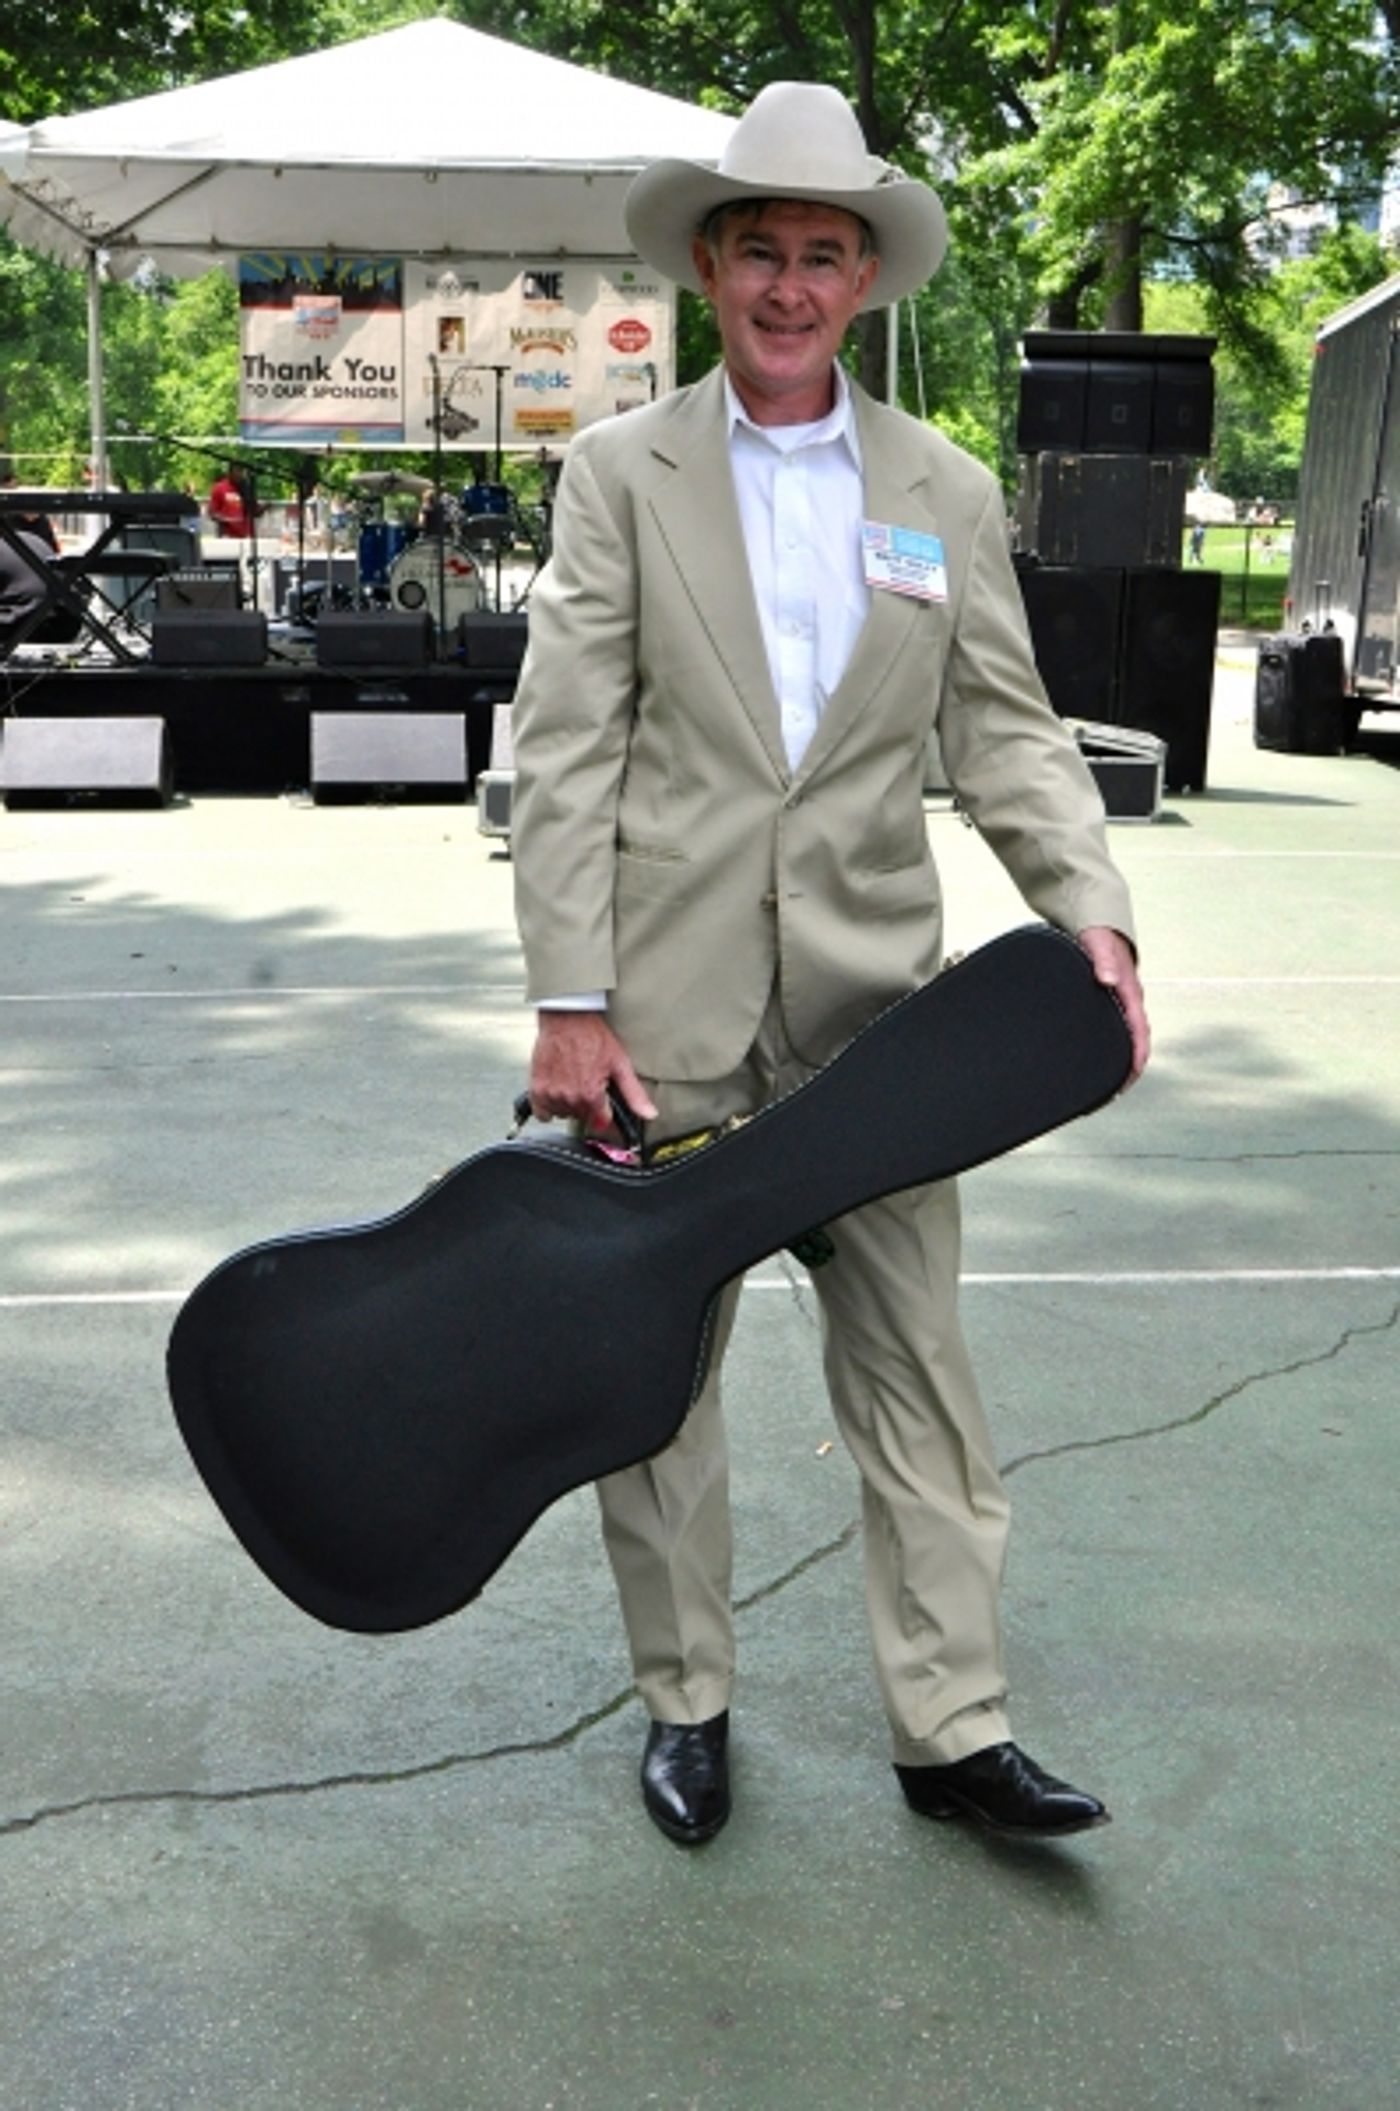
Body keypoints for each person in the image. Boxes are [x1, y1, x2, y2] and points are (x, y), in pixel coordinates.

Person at [510, 82, 1149, 1849]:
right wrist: (572, 997)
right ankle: (686, 1705)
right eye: (760, 252)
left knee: (922, 1383)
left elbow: (1007, 732)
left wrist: (1092, 915)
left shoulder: (934, 484)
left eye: (823, 255)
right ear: (711, 268)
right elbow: (567, 743)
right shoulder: (616, 474)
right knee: (655, 1390)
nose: (790, 287)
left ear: (862, 280)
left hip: (883, 1026)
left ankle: (952, 1735)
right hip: (663, 1022)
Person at [208, 464, 257, 537]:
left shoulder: (247, 488)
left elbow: (254, 512)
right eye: (237, 471)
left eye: (242, 471)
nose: (240, 474)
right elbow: (212, 513)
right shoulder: (219, 487)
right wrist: (227, 519)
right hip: (227, 535)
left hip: (246, 535)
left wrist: (263, 508)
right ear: (230, 473)